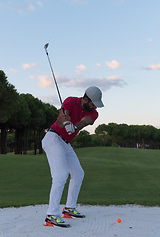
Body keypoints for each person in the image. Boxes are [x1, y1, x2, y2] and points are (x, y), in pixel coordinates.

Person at [42, 86, 104, 228]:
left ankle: (69, 209)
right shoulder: (70, 101)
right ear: (86, 98)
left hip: (65, 143)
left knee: (78, 173)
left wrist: (74, 127)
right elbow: (60, 120)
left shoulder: (94, 113)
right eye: (93, 103)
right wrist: (65, 122)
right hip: (53, 138)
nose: (95, 106)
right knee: (61, 175)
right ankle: (51, 215)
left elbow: (86, 121)